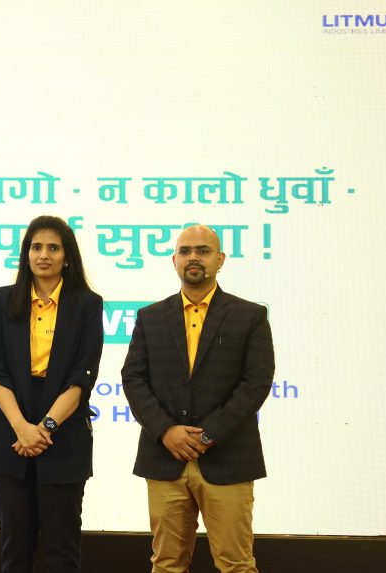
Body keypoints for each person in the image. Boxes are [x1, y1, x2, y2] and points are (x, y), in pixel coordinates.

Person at [121, 224, 275, 573]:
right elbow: (133, 378)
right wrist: (166, 431)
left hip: (228, 458)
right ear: (174, 259)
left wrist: (208, 436)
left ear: (220, 259)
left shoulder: (249, 316)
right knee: (167, 564)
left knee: (236, 564)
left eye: (203, 251)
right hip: (165, 459)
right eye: (186, 251)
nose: (194, 257)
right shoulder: (150, 317)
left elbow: (256, 383)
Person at [0, 215, 103, 572]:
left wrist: (44, 429)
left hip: (64, 433)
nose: (43, 255)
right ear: (26, 254)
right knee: (14, 550)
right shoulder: (2, 300)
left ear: (67, 256)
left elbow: (82, 377)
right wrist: (22, 428)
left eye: (53, 248)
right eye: (36, 247)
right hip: (9, 432)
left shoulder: (87, 304)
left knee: (61, 551)